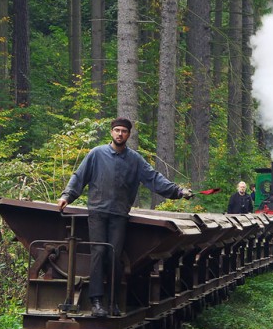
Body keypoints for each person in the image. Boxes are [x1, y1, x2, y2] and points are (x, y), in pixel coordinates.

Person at [56, 117, 193, 317]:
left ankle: (112, 301)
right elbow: (79, 176)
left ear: (128, 135)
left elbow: (154, 179)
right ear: (111, 132)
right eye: (117, 130)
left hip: (119, 214)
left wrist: (178, 191)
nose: (120, 134)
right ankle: (96, 302)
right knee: (99, 253)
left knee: (114, 255)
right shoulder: (97, 154)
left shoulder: (135, 159)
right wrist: (66, 196)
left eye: (124, 131)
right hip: (97, 212)